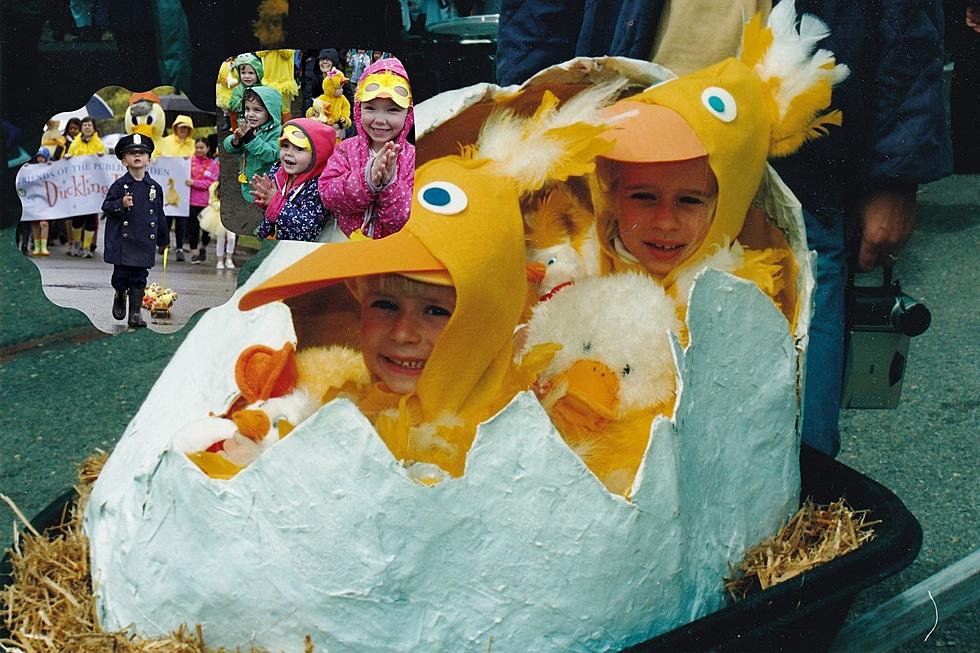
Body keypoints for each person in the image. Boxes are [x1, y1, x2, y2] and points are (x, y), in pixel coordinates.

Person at [496, 0, 952, 457]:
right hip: (628, 138)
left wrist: (898, 170)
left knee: (796, 427)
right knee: (601, 390)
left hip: (794, 152)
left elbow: (906, 15)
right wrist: (526, 114)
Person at [318, 57, 415, 239]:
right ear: (358, 108)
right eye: (370, 108)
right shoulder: (346, 149)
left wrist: (389, 184)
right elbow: (327, 195)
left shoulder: (413, 158)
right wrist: (366, 180)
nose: (379, 119)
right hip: (343, 238)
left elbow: (401, 220)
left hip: (386, 248)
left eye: (393, 110)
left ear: (408, 113)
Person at [101, 134, 166, 328]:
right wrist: (120, 203)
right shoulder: (120, 185)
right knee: (121, 277)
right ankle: (120, 293)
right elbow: (106, 206)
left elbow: (159, 214)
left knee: (139, 278)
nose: (137, 156)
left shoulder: (155, 187)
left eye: (142, 153)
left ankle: (135, 314)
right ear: (124, 160)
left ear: (149, 159)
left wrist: (163, 238)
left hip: (144, 241)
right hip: (123, 242)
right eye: (131, 153)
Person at [249, 118, 336, 241]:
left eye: (299, 148)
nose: (289, 153)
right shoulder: (277, 170)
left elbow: (309, 228)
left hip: (298, 250)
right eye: (285, 146)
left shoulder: (320, 187)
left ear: (318, 155)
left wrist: (275, 202)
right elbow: (271, 208)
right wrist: (264, 200)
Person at [222, 86, 282, 203]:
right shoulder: (249, 126)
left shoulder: (277, 132)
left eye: (257, 110)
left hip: (268, 185)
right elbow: (229, 147)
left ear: (270, 112)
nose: (250, 114)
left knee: (266, 209)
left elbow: (272, 155)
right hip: (248, 178)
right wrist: (235, 141)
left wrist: (250, 138)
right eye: (247, 109)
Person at [63, 116, 105, 258]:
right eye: (85, 125)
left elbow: (106, 163)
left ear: (94, 128)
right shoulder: (75, 143)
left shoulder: (99, 143)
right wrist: (68, 157)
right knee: (78, 217)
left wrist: (102, 156)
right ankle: (76, 244)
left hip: (93, 187)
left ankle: (86, 247)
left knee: (92, 217)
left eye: (89, 125)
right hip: (78, 186)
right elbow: (69, 159)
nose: (87, 127)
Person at [158, 114, 196, 260]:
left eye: (186, 128)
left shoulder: (192, 144)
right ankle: (164, 243)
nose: (183, 130)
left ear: (190, 130)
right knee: (166, 217)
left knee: (182, 219)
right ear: (175, 128)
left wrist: (189, 161)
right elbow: (157, 156)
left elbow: (197, 160)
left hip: (184, 187)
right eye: (180, 127)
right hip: (168, 185)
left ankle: (179, 247)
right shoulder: (166, 141)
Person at [186, 137, 219, 264]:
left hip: (206, 202)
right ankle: (194, 253)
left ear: (208, 148)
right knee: (193, 228)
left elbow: (211, 182)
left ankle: (203, 247)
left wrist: (194, 183)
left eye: (202, 147)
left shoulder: (213, 165)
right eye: (197, 147)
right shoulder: (188, 162)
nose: (199, 150)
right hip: (191, 201)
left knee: (206, 229)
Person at [196, 180, 238, 270]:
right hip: (218, 214)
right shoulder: (215, 185)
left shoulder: (235, 184)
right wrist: (221, 206)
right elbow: (211, 200)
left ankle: (229, 258)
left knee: (232, 237)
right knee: (221, 237)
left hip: (232, 214)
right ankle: (220, 260)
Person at [25, 147, 53, 256]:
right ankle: (37, 247)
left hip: (45, 200)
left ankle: (44, 247)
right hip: (34, 199)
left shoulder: (51, 168)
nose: (40, 159)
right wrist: (25, 169)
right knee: (35, 223)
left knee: (44, 223)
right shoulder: (31, 168)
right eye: (39, 157)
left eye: (43, 157)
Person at [227, 53, 265, 130]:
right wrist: (247, 102)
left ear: (258, 73)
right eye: (243, 73)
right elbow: (233, 105)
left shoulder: (263, 88)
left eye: (251, 73)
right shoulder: (237, 90)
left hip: (262, 123)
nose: (247, 76)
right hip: (244, 123)